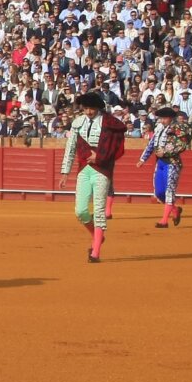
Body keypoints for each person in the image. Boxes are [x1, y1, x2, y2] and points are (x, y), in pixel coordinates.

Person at [60, 91, 126, 263]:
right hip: (84, 169)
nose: (89, 112)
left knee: (98, 209)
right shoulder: (77, 123)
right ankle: (97, 236)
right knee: (80, 211)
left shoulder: (109, 123)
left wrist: (100, 157)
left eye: (91, 108)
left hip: (102, 170)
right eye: (86, 108)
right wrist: (65, 172)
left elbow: (116, 146)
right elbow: (70, 148)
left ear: (98, 108)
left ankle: (95, 251)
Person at [138, 106, 189, 229]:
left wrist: (165, 152)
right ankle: (175, 210)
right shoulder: (159, 128)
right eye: (161, 118)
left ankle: (164, 220)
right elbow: (151, 144)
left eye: (164, 118)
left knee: (169, 191)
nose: (162, 120)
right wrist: (142, 159)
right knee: (159, 192)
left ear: (170, 118)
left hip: (172, 163)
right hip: (160, 163)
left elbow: (183, 144)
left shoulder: (179, 128)